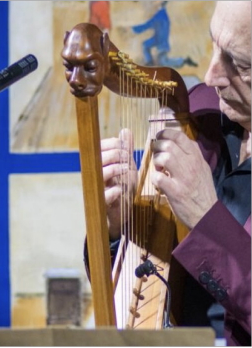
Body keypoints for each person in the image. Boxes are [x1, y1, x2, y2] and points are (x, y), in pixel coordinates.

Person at [98, 1, 250, 345]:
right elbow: (136, 298)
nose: (211, 76)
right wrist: (121, 227)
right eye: (214, 44)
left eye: (238, 63)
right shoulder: (198, 109)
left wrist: (205, 217)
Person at [131, 1, 197, 68]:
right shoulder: (161, 14)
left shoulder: (160, 16)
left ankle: (183, 61)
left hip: (161, 43)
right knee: (145, 45)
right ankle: (149, 62)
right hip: (157, 39)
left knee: (164, 62)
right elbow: (150, 24)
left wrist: (134, 29)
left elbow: (148, 24)